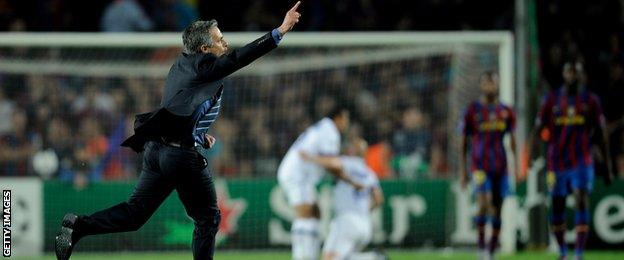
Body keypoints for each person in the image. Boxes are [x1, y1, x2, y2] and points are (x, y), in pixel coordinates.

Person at [54, 2, 302, 260]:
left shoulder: (182, 64)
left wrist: (196, 133)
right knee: (208, 218)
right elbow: (238, 59)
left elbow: (179, 105)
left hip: (157, 151)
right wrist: (280, 30)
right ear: (205, 49)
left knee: (135, 213)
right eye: (220, 40)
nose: (225, 44)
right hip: (180, 157)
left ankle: (78, 226)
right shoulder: (206, 66)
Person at [531, 61, 613, 260]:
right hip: (556, 162)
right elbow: (537, 129)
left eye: (576, 72)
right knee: (557, 205)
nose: (572, 75)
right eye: (569, 71)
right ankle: (562, 251)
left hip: (582, 160)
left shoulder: (590, 100)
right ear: (563, 74)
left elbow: (602, 133)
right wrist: (533, 156)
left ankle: (578, 253)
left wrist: (607, 166)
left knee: (581, 199)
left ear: (581, 75)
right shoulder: (551, 99)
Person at [277, 106, 362, 260]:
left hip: (302, 176)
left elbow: (330, 161)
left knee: (316, 212)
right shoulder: (330, 131)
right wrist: (350, 180)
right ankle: (301, 256)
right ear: (339, 117)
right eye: (346, 119)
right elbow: (332, 164)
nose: (347, 123)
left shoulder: (323, 128)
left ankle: (310, 254)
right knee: (305, 212)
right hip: (298, 175)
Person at [460, 71, 518, 260]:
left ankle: (491, 251)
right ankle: (481, 247)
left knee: (498, 207)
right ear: (481, 85)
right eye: (486, 83)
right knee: (483, 203)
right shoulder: (472, 110)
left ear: (498, 85)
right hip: (479, 165)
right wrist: (463, 170)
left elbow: (513, 140)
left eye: (493, 83)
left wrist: (515, 166)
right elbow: (463, 141)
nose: (490, 87)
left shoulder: (506, 111)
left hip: (500, 166)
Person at [301, 138, 384, 260]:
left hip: (346, 221)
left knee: (329, 258)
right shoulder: (369, 173)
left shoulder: (345, 162)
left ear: (352, 150)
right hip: (365, 224)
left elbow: (331, 164)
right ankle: (373, 257)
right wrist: (363, 210)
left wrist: (310, 158)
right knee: (344, 257)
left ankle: (373, 258)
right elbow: (378, 199)